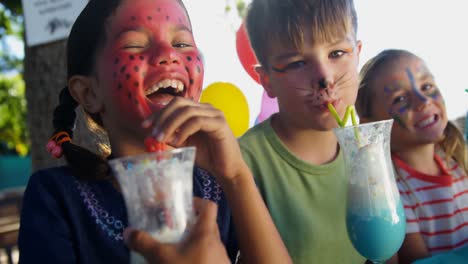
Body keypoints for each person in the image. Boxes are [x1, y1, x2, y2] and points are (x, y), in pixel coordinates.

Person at [18, 0, 291, 263]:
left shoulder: (224, 185)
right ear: (89, 92)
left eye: (182, 43)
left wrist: (236, 175)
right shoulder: (57, 197)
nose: (169, 55)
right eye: (134, 45)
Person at [239, 0, 366, 263]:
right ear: (267, 81)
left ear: (358, 54)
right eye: (297, 63)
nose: (324, 77)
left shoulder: (366, 146)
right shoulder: (242, 163)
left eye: (337, 53)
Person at [356, 49, 468, 264]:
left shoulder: (458, 159)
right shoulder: (389, 194)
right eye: (399, 99)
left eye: (426, 86)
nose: (423, 100)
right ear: (371, 124)